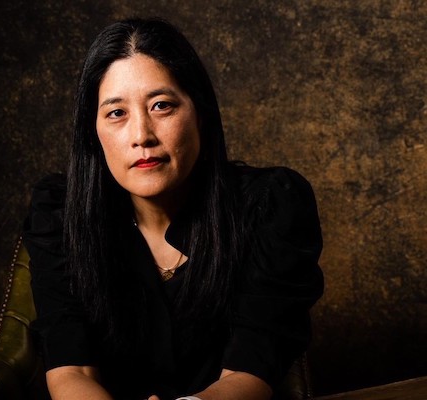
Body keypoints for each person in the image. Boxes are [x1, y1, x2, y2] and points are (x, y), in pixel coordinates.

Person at [23, 17, 323, 400]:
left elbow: (250, 372)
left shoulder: (269, 206)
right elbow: (71, 371)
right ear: (93, 131)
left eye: (161, 106)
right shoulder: (61, 215)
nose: (141, 136)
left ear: (200, 113)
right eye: (116, 113)